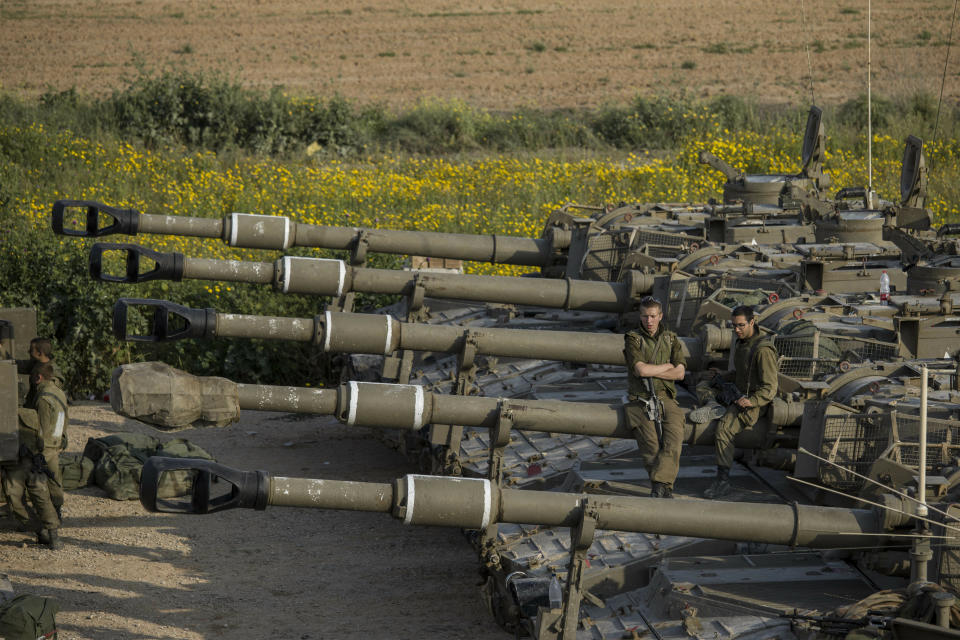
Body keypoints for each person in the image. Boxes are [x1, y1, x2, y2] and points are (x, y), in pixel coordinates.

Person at [702, 305, 778, 499]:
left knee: (724, 430)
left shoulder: (763, 350)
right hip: (737, 391)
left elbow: (769, 388)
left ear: (752, 322)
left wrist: (750, 401)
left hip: (754, 403)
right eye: (733, 326)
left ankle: (723, 481)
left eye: (741, 325)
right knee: (704, 384)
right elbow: (741, 374)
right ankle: (713, 405)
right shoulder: (743, 344)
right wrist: (723, 376)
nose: (736, 329)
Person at [623, 296, 687, 498]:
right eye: (644, 316)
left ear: (660, 316)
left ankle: (660, 485)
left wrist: (655, 371)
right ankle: (663, 487)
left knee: (674, 438)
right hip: (640, 398)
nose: (648, 321)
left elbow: (680, 373)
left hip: (666, 397)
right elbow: (640, 370)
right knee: (650, 445)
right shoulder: (633, 338)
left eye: (652, 316)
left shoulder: (670, 339)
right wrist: (667, 366)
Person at [2, 365, 64, 549]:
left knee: (40, 493)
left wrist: (39, 453)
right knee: (14, 497)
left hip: (31, 461)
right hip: (13, 463)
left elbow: (43, 434)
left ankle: (53, 532)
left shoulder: (30, 413)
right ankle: (41, 530)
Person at [31, 362, 68, 520]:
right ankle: (57, 511)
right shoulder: (59, 392)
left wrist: (36, 450)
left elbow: (42, 429)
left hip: (46, 446)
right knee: (55, 480)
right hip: (57, 441)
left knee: (41, 484)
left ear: (38, 378)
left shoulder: (43, 398)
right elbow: (64, 417)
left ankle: (50, 518)